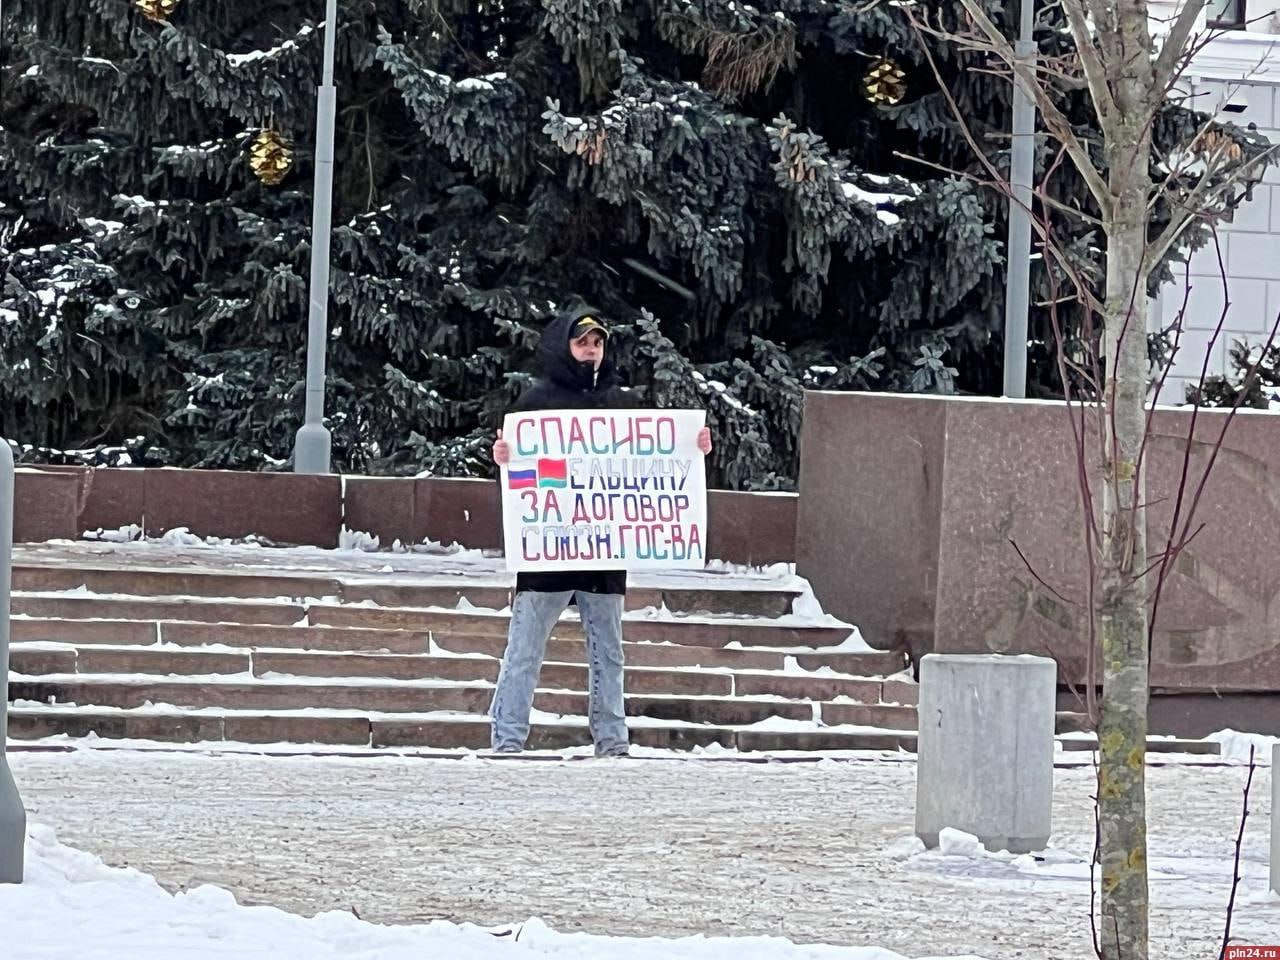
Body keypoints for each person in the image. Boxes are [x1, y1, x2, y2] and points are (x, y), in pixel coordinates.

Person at [490, 305, 713, 756]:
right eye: (582, 342)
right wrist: (502, 456)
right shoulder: (536, 403)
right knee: (524, 652)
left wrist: (693, 448)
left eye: (597, 343)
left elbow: (652, 463)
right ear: (564, 347)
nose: (591, 350)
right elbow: (519, 471)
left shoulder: (621, 404)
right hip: (549, 551)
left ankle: (612, 742)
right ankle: (507, 739)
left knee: (609, 655)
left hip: (604, 553)